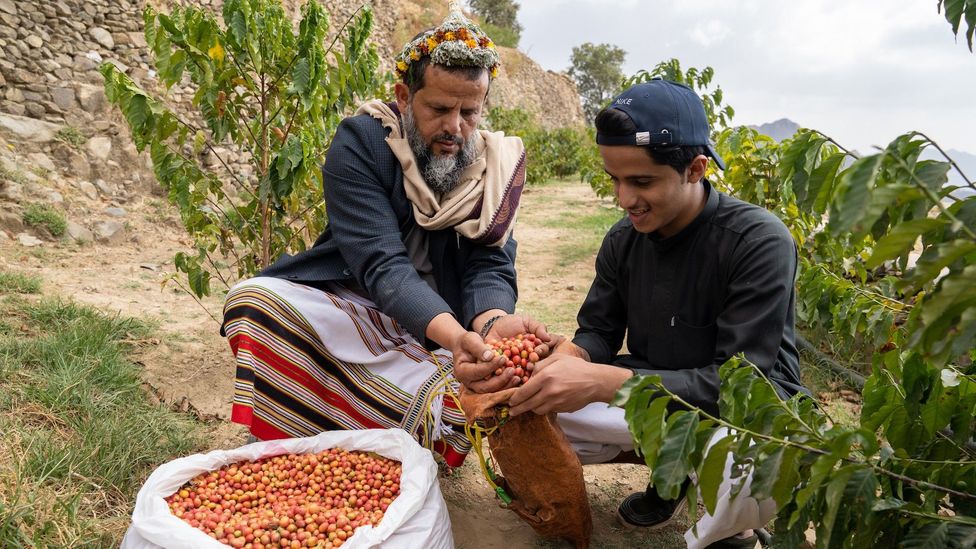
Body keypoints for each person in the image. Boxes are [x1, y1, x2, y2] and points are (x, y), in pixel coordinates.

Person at [221, 2, 547, 468]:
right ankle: (317, 436)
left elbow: (490, 263)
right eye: (438, 108)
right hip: (365, 307)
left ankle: (399, 435)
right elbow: (382, 265)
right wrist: (457, 340)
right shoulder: (361, 143)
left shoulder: (492, 167)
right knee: (257, 304)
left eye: (469, 112)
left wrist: (491, 325)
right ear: (402, 96)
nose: (455, 127)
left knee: (499, 381)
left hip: (442, 328)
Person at [498, 79, 808, 548]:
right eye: (615, 180)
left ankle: (733, 524)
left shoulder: (757, 242)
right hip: (652, 389)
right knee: (524, 407)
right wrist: (573, 357)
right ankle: (672, 472)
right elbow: (599, 331)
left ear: (695, 169)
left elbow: (739, 387)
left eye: (641, 181)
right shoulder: (623, 242)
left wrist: (603, 382)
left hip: (746, 409)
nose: (624, 199)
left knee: (755, 453)